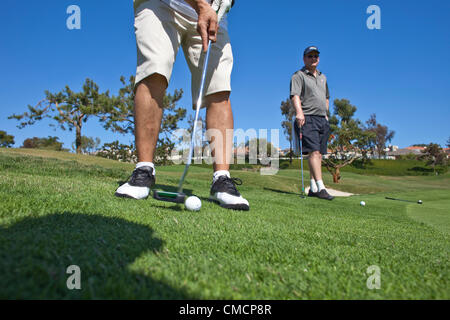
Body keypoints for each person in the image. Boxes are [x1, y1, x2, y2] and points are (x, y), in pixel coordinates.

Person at [115, 0, 249, 210]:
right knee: (155, 70)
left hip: (212, 12)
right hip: (161, 5)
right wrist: (200, 5)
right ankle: (144, 170)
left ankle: (222, 179)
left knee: (219, 86)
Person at [290, 46, 334, 200]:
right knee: (314, 152)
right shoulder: (299, 75)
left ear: (319, 58)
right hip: (307, 117)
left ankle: (313, 187)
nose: (313, 58)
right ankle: (321, 187)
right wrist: (299, 112)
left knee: (318, 154)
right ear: (304, 59)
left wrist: (326, 114)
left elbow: (327, 97)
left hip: (322, 119)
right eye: (310, 56)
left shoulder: (323, 77)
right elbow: (295, 95)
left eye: (315, 56)